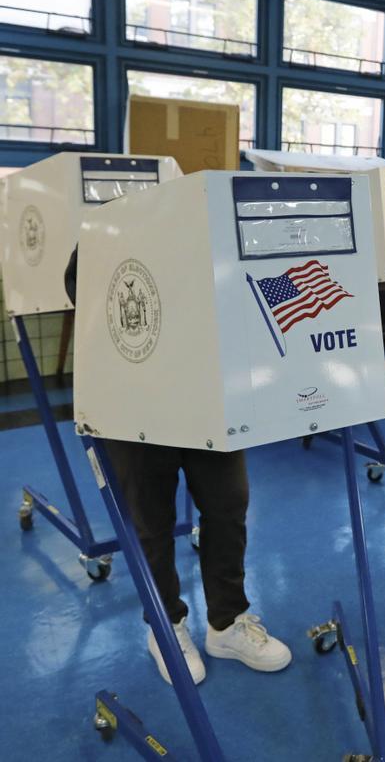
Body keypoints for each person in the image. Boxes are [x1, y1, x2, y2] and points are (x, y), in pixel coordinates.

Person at [65, 249, 291, 686]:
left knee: (228, 505)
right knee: (151, 520)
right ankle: (166, 626)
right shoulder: (111, 226)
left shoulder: (208, 214)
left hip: (206, 386)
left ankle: (226, 623)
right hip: (134, 389)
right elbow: (81, 287)